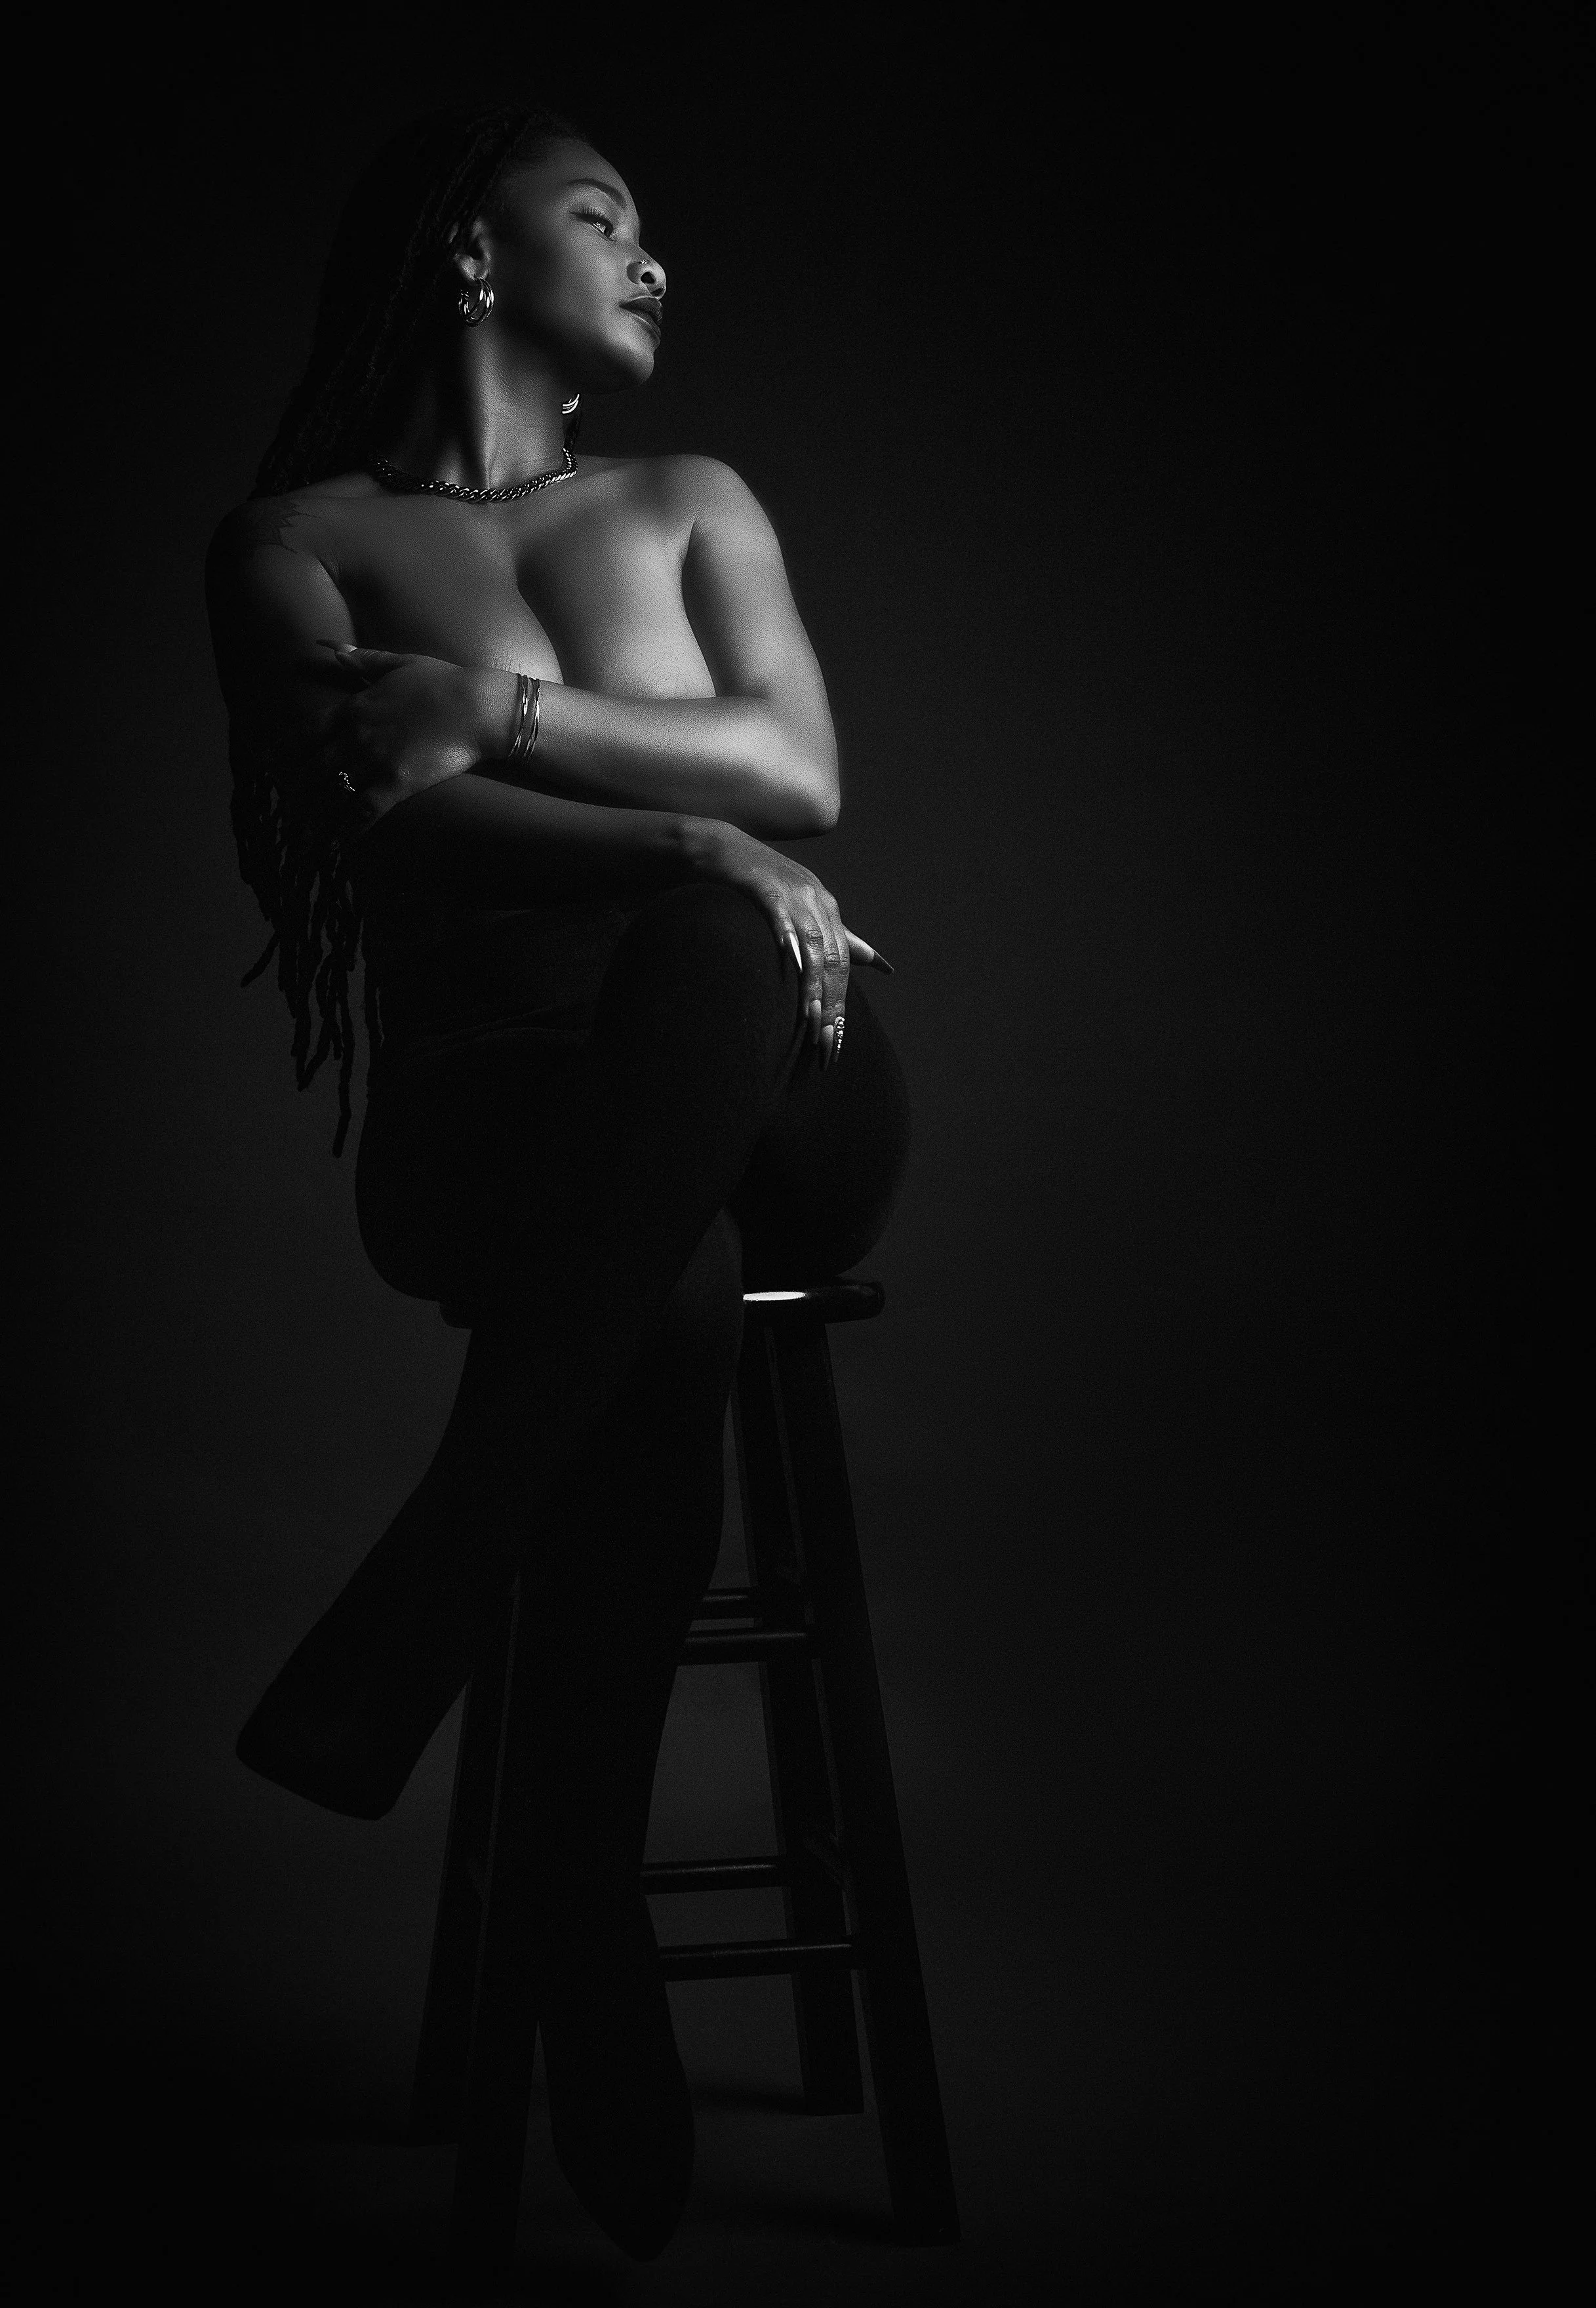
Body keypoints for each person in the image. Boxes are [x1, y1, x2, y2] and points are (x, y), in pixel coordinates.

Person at [205, 102, 909, 2260]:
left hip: (784, 1080)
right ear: (468, 250)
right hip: (491, 1122)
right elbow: (370, 826)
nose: (655, 256)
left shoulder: (692, 503)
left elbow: (800, 778)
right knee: (660, 1286)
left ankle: (431, 1582)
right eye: (605, 216)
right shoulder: (294, 546)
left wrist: (489, 707)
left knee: (717, 951)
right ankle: (583, 1898)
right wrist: (682, 823)